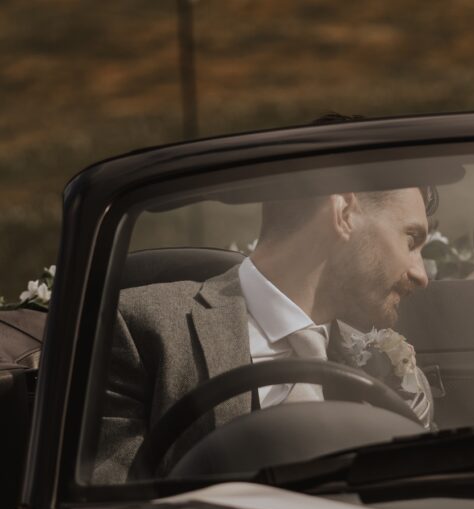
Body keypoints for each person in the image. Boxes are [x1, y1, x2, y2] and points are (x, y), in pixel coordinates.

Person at [94, 173, 438, 484]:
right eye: (411, 240)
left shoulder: (383, 364)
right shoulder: (138, 327)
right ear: (344, 212)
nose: (421, 275)